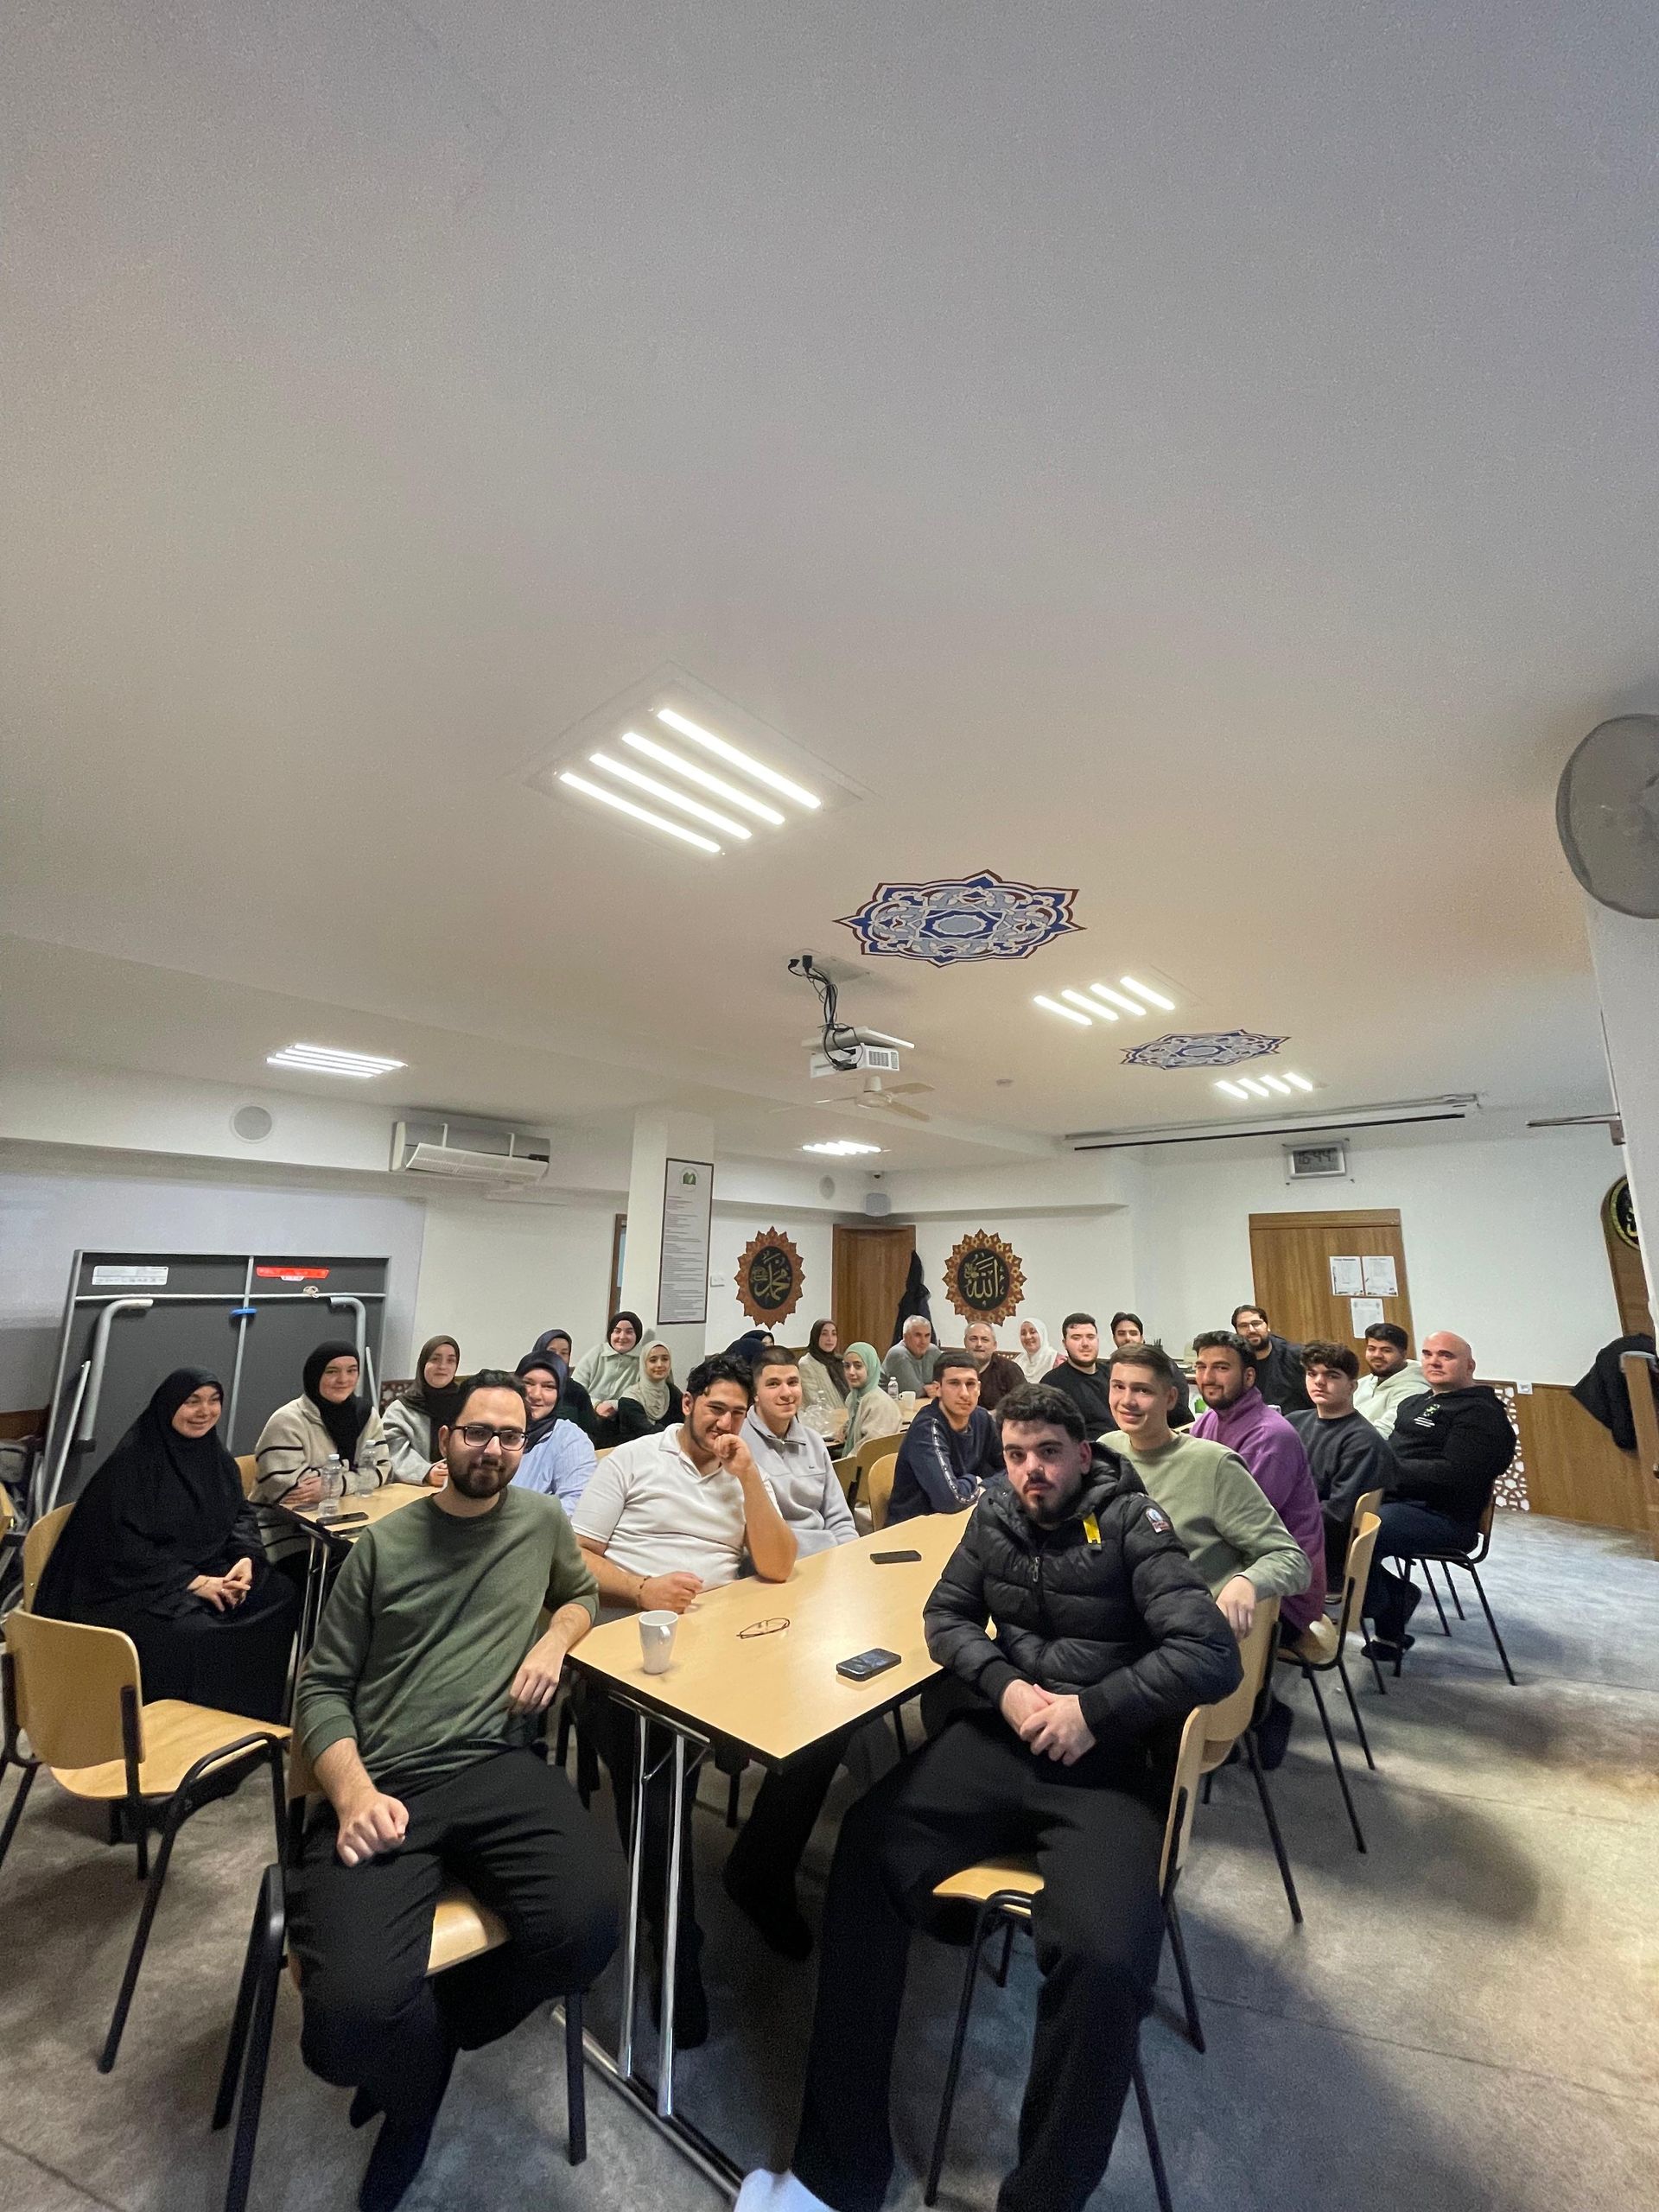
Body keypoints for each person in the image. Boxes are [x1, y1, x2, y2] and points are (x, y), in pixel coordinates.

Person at [735, 1382, 1242, 2212]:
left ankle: (1042, 2198)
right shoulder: (996, 1513)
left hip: (1106, 1762)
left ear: (1083, 1454)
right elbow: (946, 1618)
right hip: (1003, 1738)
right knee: (865, 1851)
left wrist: (1092, 1711)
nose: (1031, 1470)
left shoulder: (1131, 1520)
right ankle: (839, 2172)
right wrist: (1006, 1687)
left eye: (1048, 1453)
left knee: (1107, 1958)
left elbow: (1210, 1652)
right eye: (1014, 1455)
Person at [289, 1370, 620, 2212]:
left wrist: (553, 1640)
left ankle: (429, 2044)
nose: (493, 1449)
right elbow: (320, 1687)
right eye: (478, 1432)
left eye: (510, 1436)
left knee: (588, 1927)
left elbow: (581, 1593)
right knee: (343, 2029)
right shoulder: (384, 1546)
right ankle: (417, 2074)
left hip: (497, 1764)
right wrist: (351, 1792)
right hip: (387, 1782)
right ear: (446, 1438)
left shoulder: (540, 1523)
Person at [572, 1355, 836, 2029]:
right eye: (715, 1408)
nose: (725, 1424)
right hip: (629, 1650)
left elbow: (778, 1566)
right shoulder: (632, 1461)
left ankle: (758, 1873)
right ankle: (675, 1943)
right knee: (658, 1785)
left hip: (725, 1648)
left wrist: (748, 1478)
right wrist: (642, 1588)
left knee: (824, 1729)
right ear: (687, 1403)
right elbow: (575, 1557)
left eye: (737, 1414)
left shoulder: (742, 1470)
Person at [35, 1368, 298, 1723]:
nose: (205, 1411)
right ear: (168, 1406)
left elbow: (239, 1514)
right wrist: (194, 1582)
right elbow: (119, 1548)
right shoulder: (131, 1465)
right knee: (196, 1633)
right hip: (130, 1586)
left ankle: (250, 1720)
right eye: (192, 1402)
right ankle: (185, 1729)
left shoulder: (216, 1458)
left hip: (207, 1566)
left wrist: (246, 1557)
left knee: (280, 1594)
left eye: (213, 1401)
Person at [1103, 1342, 1312, 1639]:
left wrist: (1247, 1582)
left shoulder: (1215, 1465)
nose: (1127, 1401)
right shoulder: (1107, 1449)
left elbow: (1291, 1559)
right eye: (1118, 1387)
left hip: (1182, 1632)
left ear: (1170, 1398)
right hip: (1116, 1617)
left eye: (1142, 1390)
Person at [1191, 1329, 1326, 1766]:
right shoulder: (1209, 1421)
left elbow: (1237, 1529)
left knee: (1174, 1617)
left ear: (1249, 1377)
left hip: (1283, 1591)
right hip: (1238, 1568)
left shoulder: (1271, 1435)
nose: (1208, 1377)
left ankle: (1257, 1712)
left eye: (1221, 1368)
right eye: (1201, 1366)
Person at [1363, 1332, 1516, 1659]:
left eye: (1446, 1355)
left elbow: (1454, 1475)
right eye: (1428, 1354)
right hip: (1396, 1501)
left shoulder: (1481, 1413)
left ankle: (1385, 1604)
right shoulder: (1415, 1403)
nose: (1434, 1361)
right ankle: (1389, 1601)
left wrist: (1386, 1469)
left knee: (1361, 1532)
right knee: (1321, 1518)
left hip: (1443, 1516)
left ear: (1470, 1365)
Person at [253, 1343, 391, 1573]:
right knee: (352, 1575)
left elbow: (382, 1469)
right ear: (315, 1375)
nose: (343, 1379)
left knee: (384, 1566)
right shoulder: (287, 1421)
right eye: (332, 1371)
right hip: (285, 1532)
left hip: (348, 1525)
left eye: (352, 1370)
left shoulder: (366, 1415)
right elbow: (291, 1492)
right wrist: (355, 1472)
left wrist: (332, 1482)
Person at [1287, 1341, 1395, 1585]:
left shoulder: (1363, 1442)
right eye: (1312, 1374)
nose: (1319, 1382)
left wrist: (1278, 1523)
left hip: (1320, 1546)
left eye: (1332, 1375)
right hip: (1293, 1528)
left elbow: (1339, 1516)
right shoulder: (1294, 1422)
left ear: (1352, 1386)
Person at [741, 1349, 858, 1555]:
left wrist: (848, 1557)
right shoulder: (739, 1446)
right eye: (773, 1384)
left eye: (793, 1382)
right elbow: (749, 1535)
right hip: (775, 1561)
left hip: (828, 1558)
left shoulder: (814, 1442)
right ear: (755, 1393)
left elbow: (840, 1519)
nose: (786, 1393)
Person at [887, 1351, 1002, 1523]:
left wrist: (982, 1485)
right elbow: (949, 1500)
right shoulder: (927, 1428)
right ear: (937, 1389)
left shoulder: (981, 1418)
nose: (964, 1393)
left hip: (964, 1517)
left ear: (979, 1388)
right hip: (916, 1526)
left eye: (970, 1384)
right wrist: (978, 1480)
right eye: (954, 1384)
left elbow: (1013, 1470)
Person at [511, 1351, 598, 1510]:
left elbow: (575, 1503)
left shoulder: (569, 1439)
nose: (536, 1395)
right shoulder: (495, 1431)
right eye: (528, 1383)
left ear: (560, 1393)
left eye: (548, 1386)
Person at [380, 1337, 467, 1486]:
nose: (443, 1366)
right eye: (435, 1359)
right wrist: (426, 1472)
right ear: (423, 1363)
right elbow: (393, 1450)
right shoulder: (400, 1410)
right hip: (413, 1490)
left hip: (461, 1487)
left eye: (450, 1361)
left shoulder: (466, 1404)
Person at [1230, 1305, 1311, 1414]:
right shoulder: (1236, 1361)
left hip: (1295, 1421)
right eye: (1243, 1326)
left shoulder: (1296, 1356)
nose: (1251, 1330)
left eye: (1256, 1324)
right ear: (1237, 1332)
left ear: (1267, 1326)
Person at [571, 1310, 648, 1426]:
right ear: (610, 1334)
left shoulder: (644, 1359)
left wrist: (614, 1405)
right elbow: (575, 1388)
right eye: (617, 1331)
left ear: (637, 1335)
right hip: (587, 1412)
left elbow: (644, 1396)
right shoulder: (596, 1353)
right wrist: (596, 1405)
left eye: (629, 1332)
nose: (622, 1337)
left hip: (625, 1417)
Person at [1041, 1313, 1115, 1433]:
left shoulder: (1113, 1374)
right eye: (1076, 1338)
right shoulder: (1051, 1384)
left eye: (1090, 1337)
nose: (1085, 1344)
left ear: (1097, 1340)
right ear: (1064, 1344)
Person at [1353, 1322, 1427, 1437]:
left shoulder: (1414, 1390)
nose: (1377, 1355)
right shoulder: (1365, 1382)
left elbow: (1386, 1432)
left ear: (1403, 1354)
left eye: (1386, 1350)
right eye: (1371, 1349)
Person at [529, 1329, 599, 1437]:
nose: (558, 1357)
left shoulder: (577, 1391)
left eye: (564, 1353)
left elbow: (591, 1432)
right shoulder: (523, 1386)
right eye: (552, 1352)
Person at [612, 1338, 683, 1441]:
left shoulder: (672, 1392)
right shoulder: (630, 1399)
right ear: (644, 1364)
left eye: (665, 1359)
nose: (660, 1365)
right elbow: (649, 1433)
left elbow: (684, 1424)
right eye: (653, 1360)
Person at [841, 1341, 903, 1453]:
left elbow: (869, 1451)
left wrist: (845, 1464)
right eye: (847, 1366)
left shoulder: (879, 1403)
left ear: (871, 1367)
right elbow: (858, 1423)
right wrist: (847, 1429)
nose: (851, 1372)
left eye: (858, 1366)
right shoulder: (855, 1398)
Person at [797, 1319, 849, 1431]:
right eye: (824, 1334)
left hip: (847, 1421)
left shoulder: (839, 1361)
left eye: (834, 1334)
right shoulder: (806, 1364)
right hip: (823, 1425)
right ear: (816, 1337)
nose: (830, 1339)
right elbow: (813, 1401)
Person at [963, 1319, 1025, 1413]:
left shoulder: (1009, 1369)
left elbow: (1023, 1401)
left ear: (994, 1345)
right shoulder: (955, 1368)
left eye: (985, 1340)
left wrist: (995, 1414)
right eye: (973, 1339)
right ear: (965, 1343)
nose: (979, 1344)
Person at [880, 1315, 940, 1398]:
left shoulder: (933, 1351)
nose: (923, 1341)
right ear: (905, 1336)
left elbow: (946, 1381)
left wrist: (933, 1388)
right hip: (888, 1402)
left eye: (927, 1335)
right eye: (918, 1335)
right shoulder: (897, 1354)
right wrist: (928, 1389)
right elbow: (912, 1391)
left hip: (920, 1402)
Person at [1014, 1316, 1060, 1382]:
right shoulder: (1019, 1361)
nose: (1028, 1337)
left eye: (1032, 1332)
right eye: (1023, 1333)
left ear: (1042, 1334)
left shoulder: (1055, 1361)